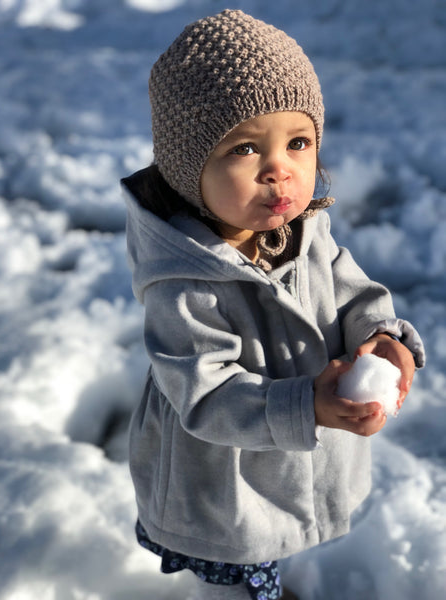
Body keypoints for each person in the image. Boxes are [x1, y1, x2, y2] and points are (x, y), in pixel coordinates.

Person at [122, 10, 425, 600]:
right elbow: (206, 396)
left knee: (275, 549)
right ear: (189, 170)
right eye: (244, 148)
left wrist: (383, 336)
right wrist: (303, 404)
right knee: (240, 575)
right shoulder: (183, 282)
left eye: (298, 142)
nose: (279, 171)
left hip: (287, 467)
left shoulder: (305, 232)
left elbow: (353, 293)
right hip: (221, 487)